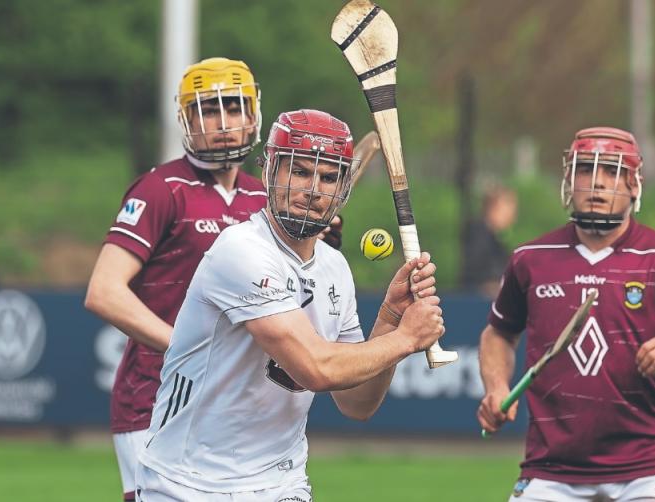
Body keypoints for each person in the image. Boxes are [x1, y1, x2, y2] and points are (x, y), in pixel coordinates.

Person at [135, 109, 445, 502]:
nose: (313, 189)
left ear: (343, 188)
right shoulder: (241, 251)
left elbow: (357, 403)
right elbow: (317, 369)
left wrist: (390, 318)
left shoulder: (335, 268)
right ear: (269, 171)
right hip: (187, 483)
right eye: (299, 172)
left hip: (282, 484)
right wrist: (405, 339)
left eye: (328, 177)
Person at [84, 58, 341, 502]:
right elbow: (104, 292)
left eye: (235, 108)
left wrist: (314, 239)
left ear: (254, 116)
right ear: (186, 120)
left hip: (232, 402)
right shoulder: (162, 189)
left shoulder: (266, 196)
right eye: (208, 110)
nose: (223, 122)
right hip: (155, 396)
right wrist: (183, 344)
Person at [476, 126, 655, 502]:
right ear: (570, 180)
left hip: (646, 470)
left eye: (612, 171)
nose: (597, 183)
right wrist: (496, 388)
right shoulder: (530, 259)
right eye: (586, 169)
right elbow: (498, 333)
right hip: (550, 470)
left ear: (634, 185)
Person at [460, 186, 518, 298]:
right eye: (508, 210)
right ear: (494, 207)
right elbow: (476, 273)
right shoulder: (478, 234)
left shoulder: (494, 239)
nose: (513, 216)